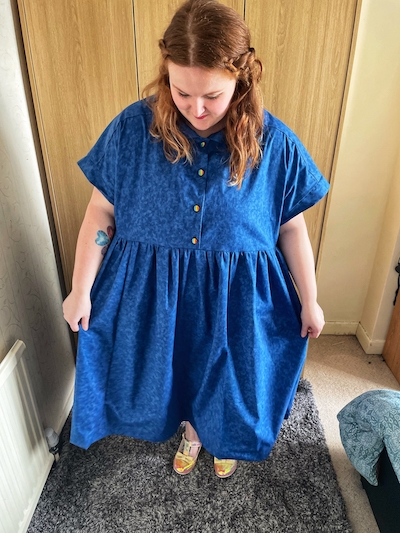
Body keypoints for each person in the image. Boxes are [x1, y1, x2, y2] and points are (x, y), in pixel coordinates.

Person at [63, 0, 329, 479]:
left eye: (213, 95)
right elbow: (102, 212)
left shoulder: (275, 144)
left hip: (239, 297)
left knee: (229, 378)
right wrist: (81, 288)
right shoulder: (131, 128)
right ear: (166, 73)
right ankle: (192, 431)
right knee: (174, 370)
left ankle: (220, 432)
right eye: (182, 92)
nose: (197, 108)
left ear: (241, 81)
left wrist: (310, 300)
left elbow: (291, 227)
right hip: (154, 293)